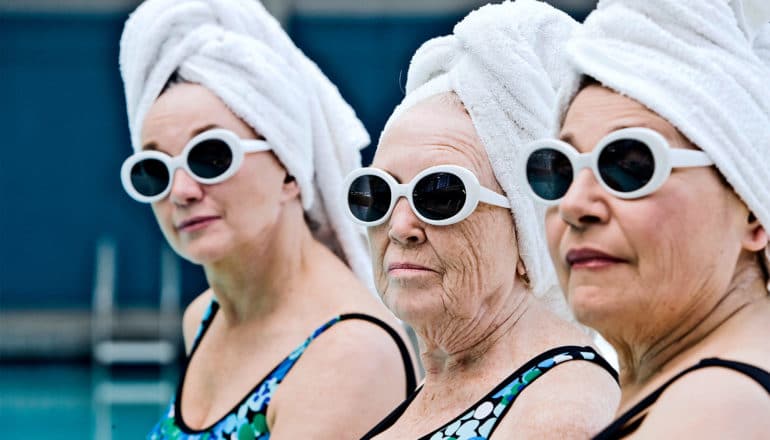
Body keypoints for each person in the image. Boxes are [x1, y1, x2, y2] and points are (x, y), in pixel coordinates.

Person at [118, 1, 417, 438]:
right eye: (154, 170)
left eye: (211, 156)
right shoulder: (204, 318)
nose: (181, 191)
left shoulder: (349, 353)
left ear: (289, 170)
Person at [351, 2, 621, 439]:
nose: (400, 227)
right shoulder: (441, 393)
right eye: (376, 194)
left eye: (439, 195)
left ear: (527, 229)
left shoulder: (559, 414)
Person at [519, 0, 770, 437]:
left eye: (631, 165)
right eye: (559, 168)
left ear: (751, 210)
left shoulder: (718, 410)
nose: (576, 205)